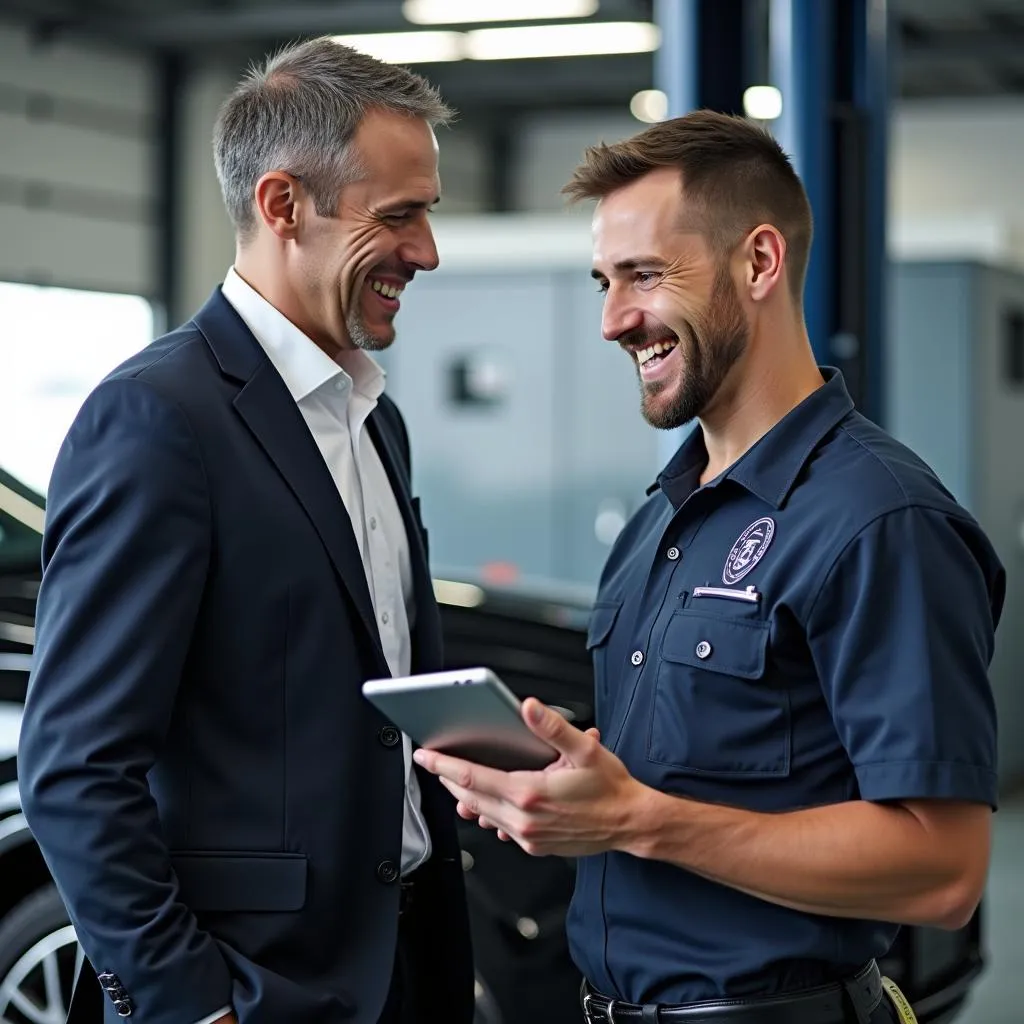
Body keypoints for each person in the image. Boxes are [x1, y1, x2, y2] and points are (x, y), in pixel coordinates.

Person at [414, 110, 1004, 1024]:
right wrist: (564, 793)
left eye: (647, 275)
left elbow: (943, 870)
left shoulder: (880, 519)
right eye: (605, 282)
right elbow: (679, 779)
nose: (614, 320)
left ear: (759, 263)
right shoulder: (660, 520)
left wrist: (634, 818)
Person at [18, 36, 474, 1024]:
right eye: (400, 216)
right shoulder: (158, 419)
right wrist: (189, 1002)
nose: (426, 252)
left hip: (394, 972)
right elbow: (74, 766)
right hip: (252, 990)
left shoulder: (371, 419)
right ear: (282, 206)